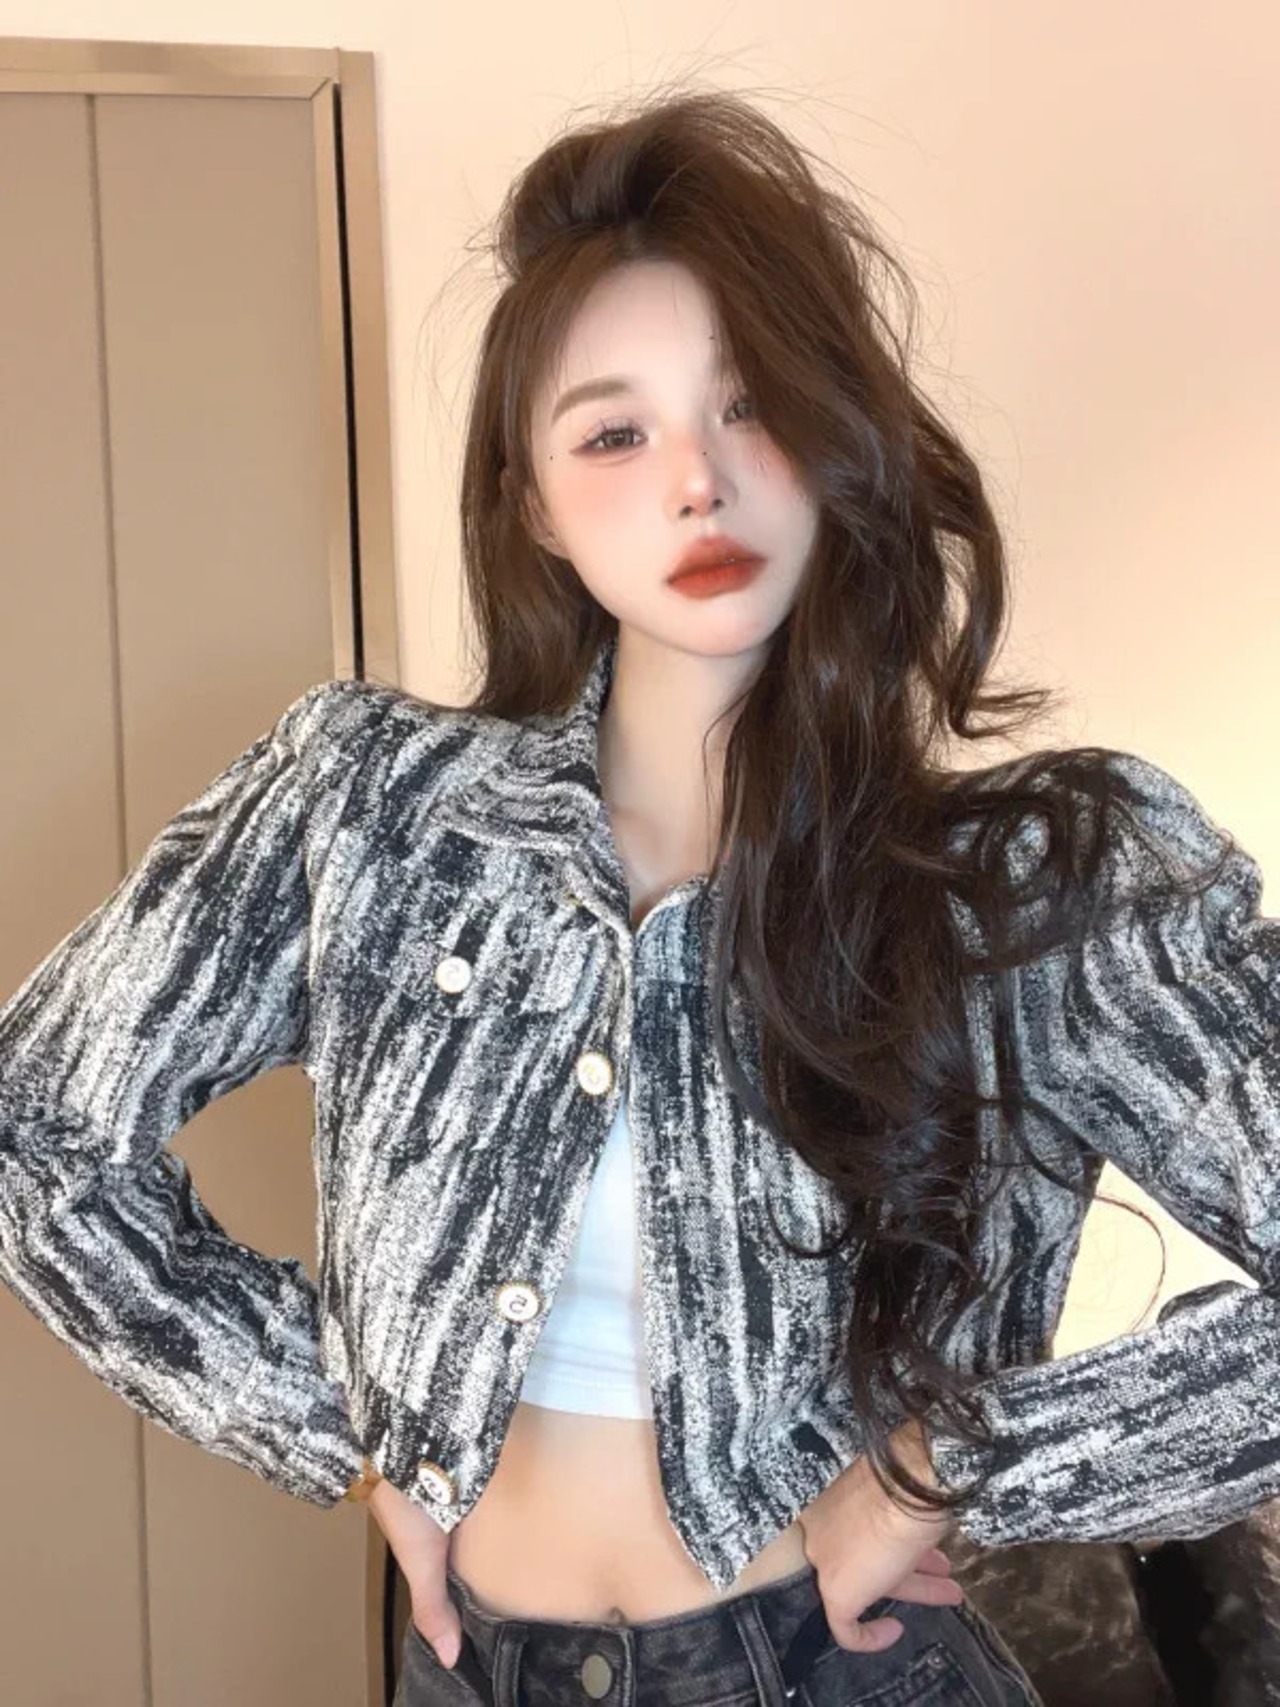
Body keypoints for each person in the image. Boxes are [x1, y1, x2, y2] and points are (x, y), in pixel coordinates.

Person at [2, 86, 1277, 1707]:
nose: (698, 481)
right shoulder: (373, 812)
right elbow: (40, 1127)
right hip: (471, 1671)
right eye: (616, 433)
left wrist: (949, 1469)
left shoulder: (1028, 888)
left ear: (838, 435)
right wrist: (336, 1426)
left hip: (840, 1670)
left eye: (752, 407)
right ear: (533, 502)